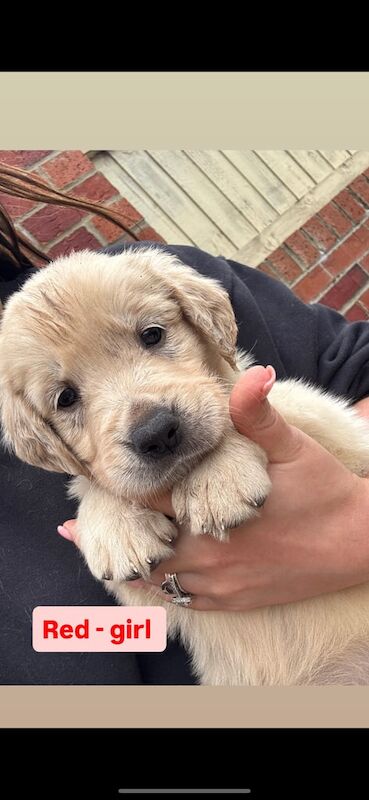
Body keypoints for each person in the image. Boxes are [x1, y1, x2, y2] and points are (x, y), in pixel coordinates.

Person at [1, 167, 369, 684]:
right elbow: (142, 615)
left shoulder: (143, 273)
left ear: (202, 319)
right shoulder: (25, 402)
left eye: (152, 336)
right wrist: (103, 501)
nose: (147, 422)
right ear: (47, 441)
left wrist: (354, 528)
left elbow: (355, 408)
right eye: (66, 399)